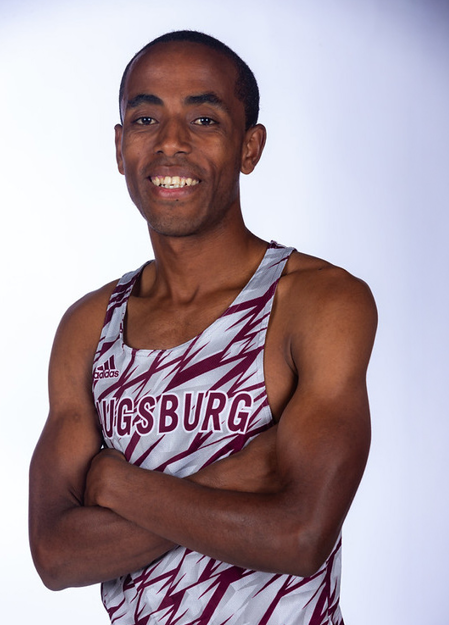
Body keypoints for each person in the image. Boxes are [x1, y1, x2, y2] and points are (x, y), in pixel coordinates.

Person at [29, 30, 377, 625]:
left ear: (250, 146)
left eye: (205, 120)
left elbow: (299, 538)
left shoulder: (316, 302)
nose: (169, 143)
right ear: (119, 148)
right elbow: (57, 556)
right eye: (144, 119)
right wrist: (238, 475)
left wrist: (116, 483)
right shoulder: (92, 325)